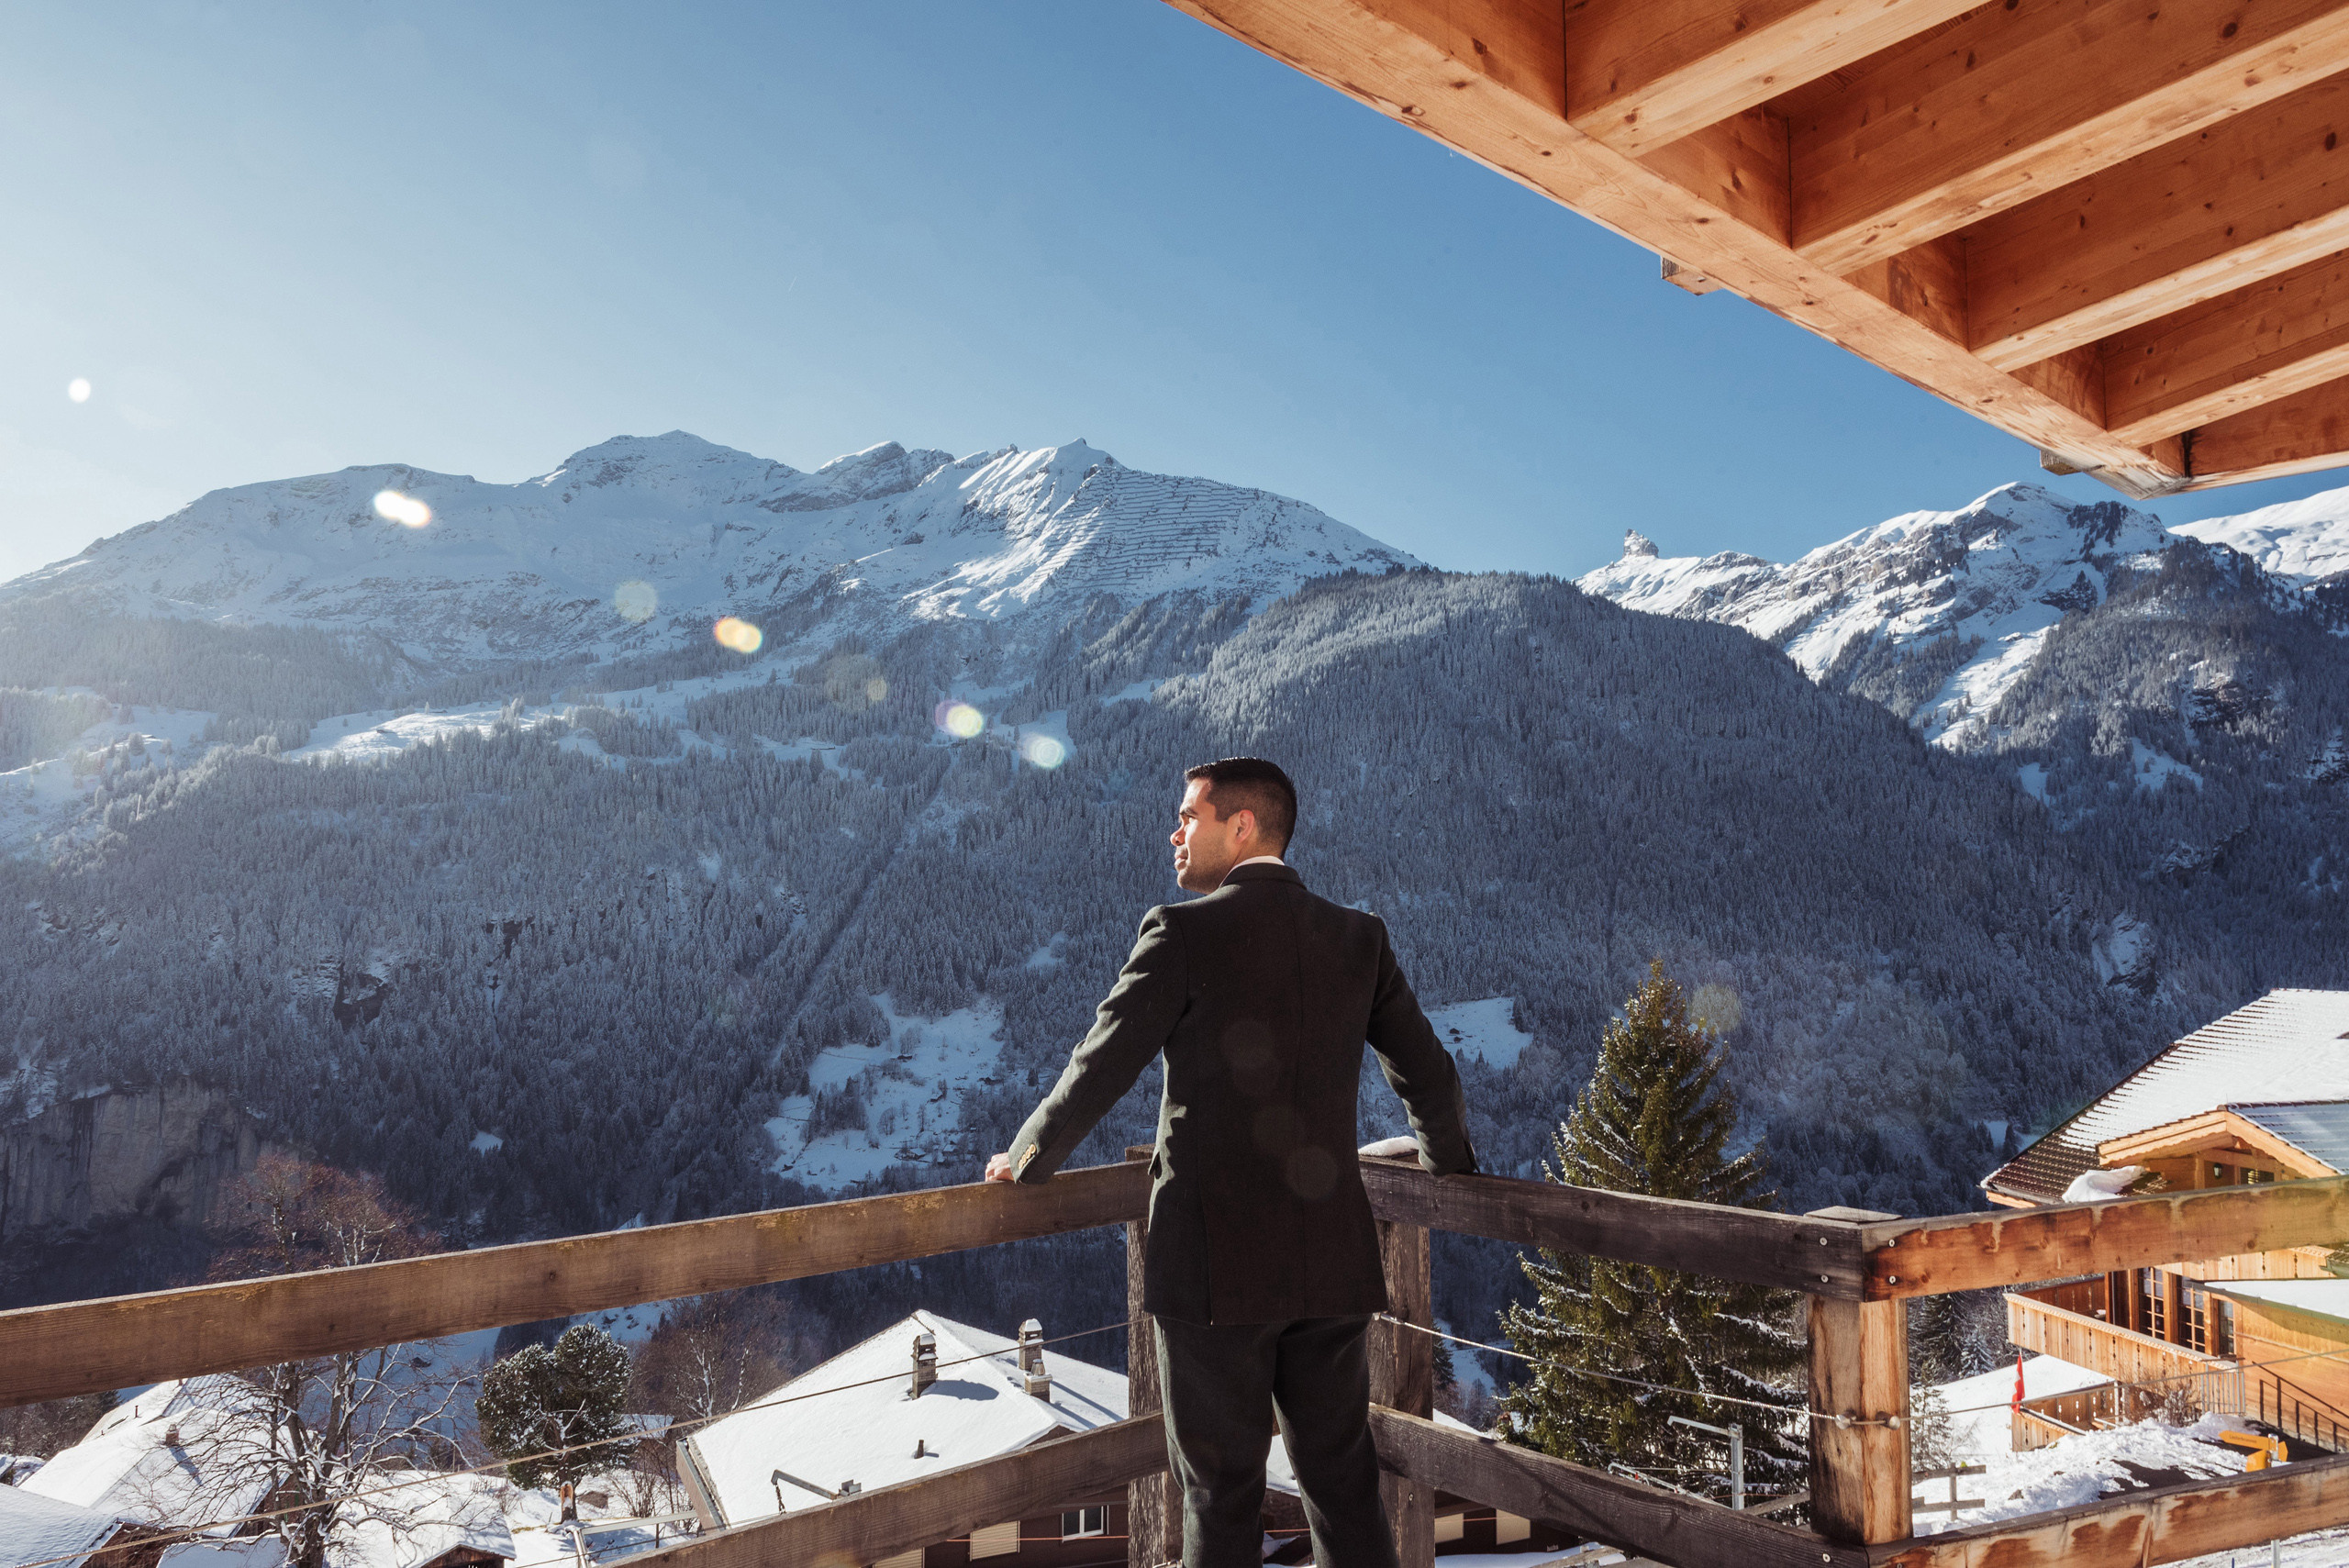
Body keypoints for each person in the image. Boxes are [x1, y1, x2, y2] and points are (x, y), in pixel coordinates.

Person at [985, 757, 1478, 1568]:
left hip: (1214, 1275)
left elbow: (1097, 1067)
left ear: (1241, 825)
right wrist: (1447, 1162)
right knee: (1343, 1485)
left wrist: (1029, 1157)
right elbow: (1428, 1073)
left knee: (1219, 1495)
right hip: (1331, 1265)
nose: (1174, 832)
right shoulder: (1359, 938)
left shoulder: (1180, 934)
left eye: (1189, 816)